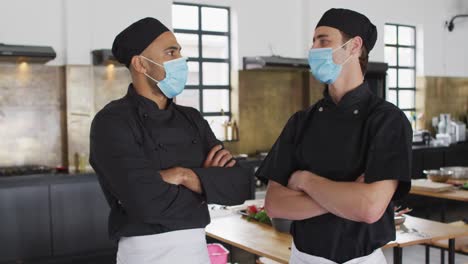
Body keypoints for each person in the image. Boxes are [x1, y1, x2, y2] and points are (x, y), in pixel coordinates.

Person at [89, 17, 251, 264]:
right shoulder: (111, 122)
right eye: (170, 52)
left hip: (197, 247)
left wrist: (182, 176)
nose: (181, 60)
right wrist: (206, 184)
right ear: (141, 64)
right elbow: (144, 203)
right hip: (144, 253)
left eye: (179, 52)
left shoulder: (192, 118)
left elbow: (239, 186)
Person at [257, 8, 412, 264]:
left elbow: (369, 209)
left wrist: (305, 181)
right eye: (314, 41)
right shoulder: (301, 122)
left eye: (323, 40)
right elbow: (274, 204)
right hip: (303, 258)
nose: (313, 49)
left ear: (354, 46)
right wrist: (348, 196)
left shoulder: (387, 120)